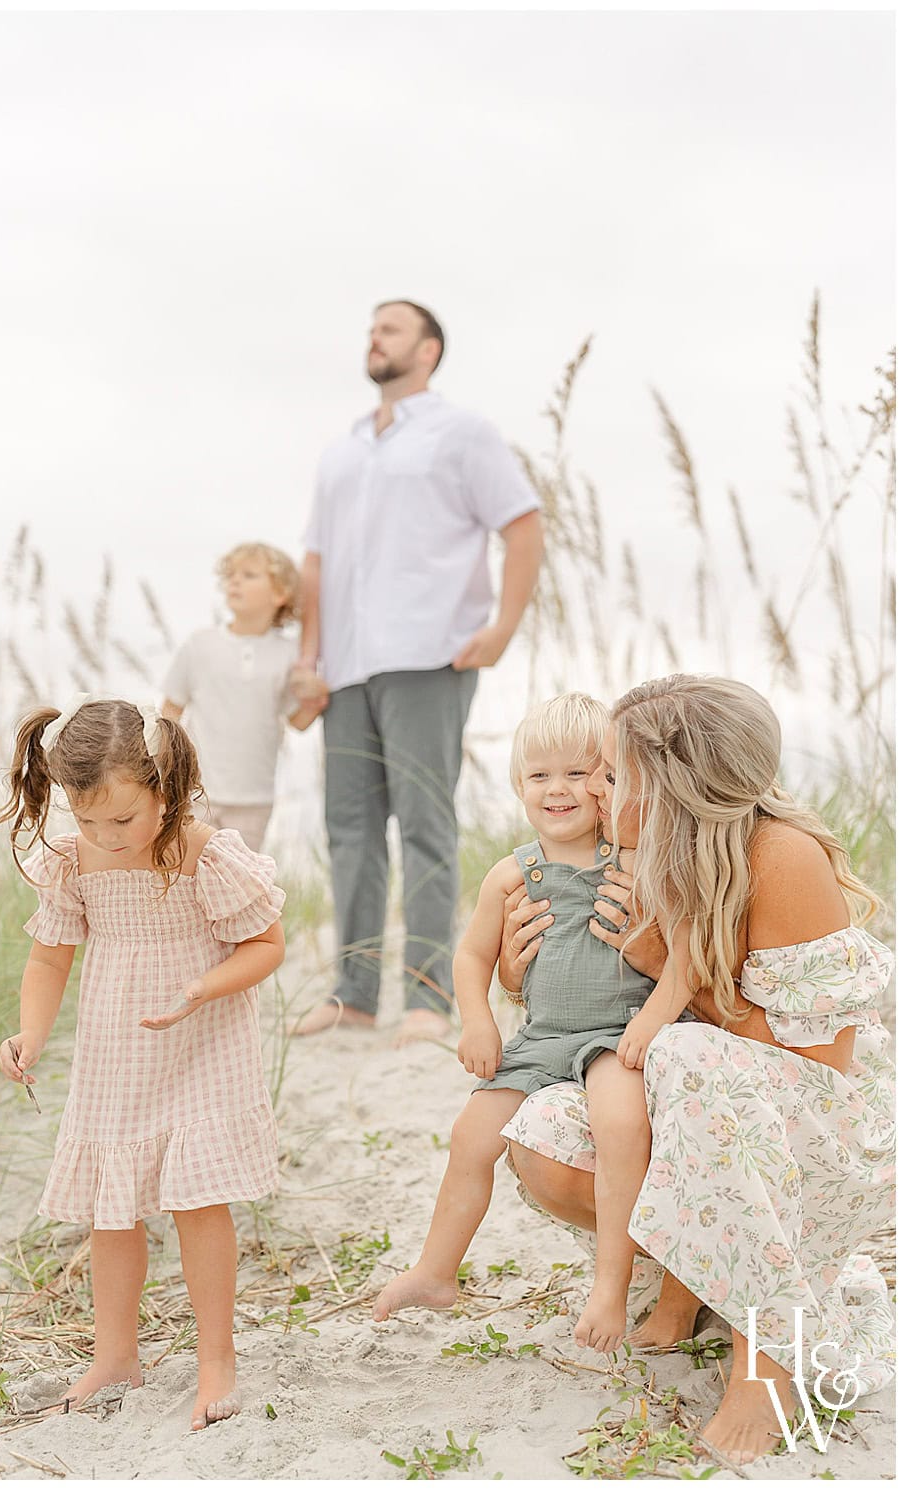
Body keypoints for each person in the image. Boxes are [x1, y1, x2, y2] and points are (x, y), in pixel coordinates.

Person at [496, 675, 894, 1464]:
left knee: (685, 1054)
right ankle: (699, 1281)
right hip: (718, 1114)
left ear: (672, 787)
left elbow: (819, 1059)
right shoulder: (631, 853)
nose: (594, 793)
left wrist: (670, 969)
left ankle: (764, 1354)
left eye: (613, 776)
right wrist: (514, 969)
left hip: (818, 1125)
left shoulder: (779, 856)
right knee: (539, 1133)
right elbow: (577, 998)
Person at [0, 694, 286, 1432]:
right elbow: (48, 959)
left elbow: (266, 946)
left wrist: (202, 988)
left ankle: (216, 1356)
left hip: (202, 1042)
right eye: (86, 820)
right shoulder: (73, 862)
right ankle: (115, 1353)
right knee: (110, 1208)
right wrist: (30, 1033)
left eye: (122, 819)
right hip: (116, 1051)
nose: (104, 835)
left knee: (196, 1198)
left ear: (166, 787)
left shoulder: (206, 852)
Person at [372, 692, 695, 1347]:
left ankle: (610, 1288)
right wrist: (478, 1023)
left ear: (611, 783)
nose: (559, 789)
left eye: (580, 773)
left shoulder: (631, 860)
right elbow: (471, 954)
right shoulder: (513, 873)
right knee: (470, 1137)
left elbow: (686, 948)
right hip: (541, 1037)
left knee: (620, 1124)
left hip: (613, 1033)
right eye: (540, 775)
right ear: (518, 785)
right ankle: (435, 1271)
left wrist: (653, 1019)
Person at [290, 299, 544, 1045]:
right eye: (371, 329)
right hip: (345, 669)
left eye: (391, 329)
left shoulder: (461, 434)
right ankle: (354, 996)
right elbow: (315, 559)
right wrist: (308, 659)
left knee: (426, 826)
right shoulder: (342, 451)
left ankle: (430, 997)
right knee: (349, 831)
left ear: (429, 350)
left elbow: (522, 523)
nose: (375, 338)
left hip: (428, 653)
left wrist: (502, 627)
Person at [162, 541, 327, 853]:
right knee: (188, 880)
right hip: (195, 794)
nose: (235, 581)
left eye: (249, 575)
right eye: (231, 574)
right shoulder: (200, 645)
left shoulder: (288, 653)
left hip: (254, 798)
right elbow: (170, 710)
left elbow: (299, 722)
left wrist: (319, 697)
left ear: (280, 595)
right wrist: (168, 773)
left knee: (239, 884)